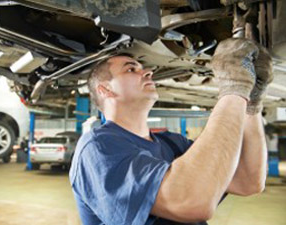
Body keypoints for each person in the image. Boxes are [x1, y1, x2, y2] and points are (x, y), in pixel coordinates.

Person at [69, 38, 273, 225]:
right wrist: (235, 88)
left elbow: (248, 181)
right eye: (131, 70)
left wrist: (252, 102)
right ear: (105, 90)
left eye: (143, 68)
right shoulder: (97, 148)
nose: (148, 72)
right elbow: (190, 201)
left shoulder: (173, 143)